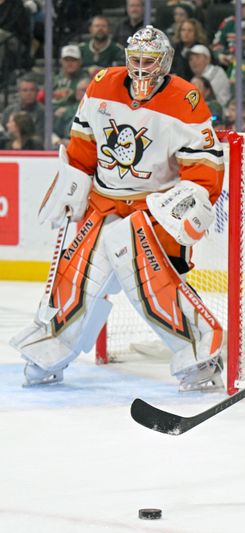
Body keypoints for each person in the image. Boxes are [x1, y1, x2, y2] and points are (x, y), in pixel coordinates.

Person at [10, 26, 226, 392]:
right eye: (135, 60)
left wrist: (183, 206)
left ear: (165, 63)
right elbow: (82, 145)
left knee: (144, 272)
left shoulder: (185, 98)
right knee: (77, 270)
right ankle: (51, 347)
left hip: (152, 208)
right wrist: (73, 181)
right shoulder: (101, 85)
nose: (140, 69)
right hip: (104, 200)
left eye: (149, 62)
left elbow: (204, 169)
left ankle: (200, 349)